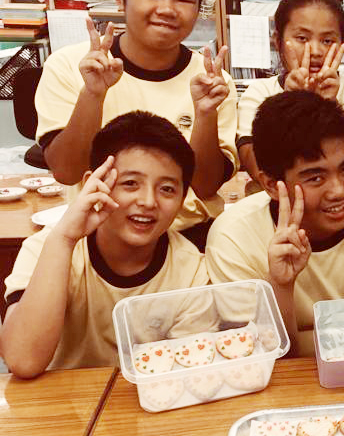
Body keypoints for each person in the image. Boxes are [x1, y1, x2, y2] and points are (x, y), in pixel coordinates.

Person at [34, 0, 238, 247]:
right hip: (98, 238)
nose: (168, 9)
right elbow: (66, 171)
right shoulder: (71, 66)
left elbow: (206, 186)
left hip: (190, 240)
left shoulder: (211, 81)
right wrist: (92, 94)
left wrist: (205, 114)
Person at [206, 90, 344, 355]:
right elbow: (260, 357)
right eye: (316, 178)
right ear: (271, 185)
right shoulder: (233, 238)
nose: (339, 191)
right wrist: (280, 286)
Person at [0, 112, 207, 377]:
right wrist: (64, 240)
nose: (148, 201)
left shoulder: (191, 270)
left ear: (182, 198)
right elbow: (23, 360)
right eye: (130, 183)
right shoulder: (47, 247)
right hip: (60, 398)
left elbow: (185, 374)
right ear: (94, 184)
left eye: (167, 188)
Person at [236, 0, 344, 183]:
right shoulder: (259, 93)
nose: (315, 51)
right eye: (302, 38)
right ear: (278, 41)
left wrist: (330, 104)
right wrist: (291, 103)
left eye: (327, 40)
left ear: (343, 43)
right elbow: (258, 171)